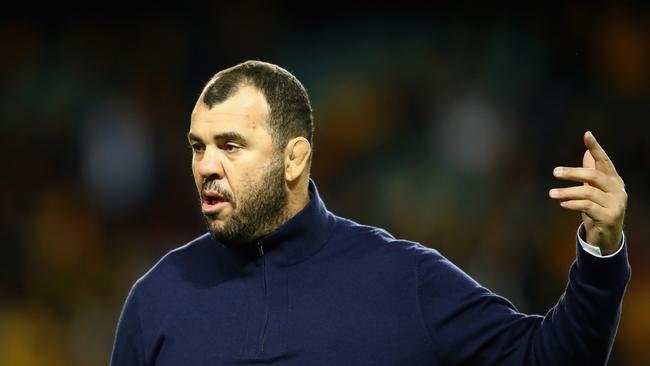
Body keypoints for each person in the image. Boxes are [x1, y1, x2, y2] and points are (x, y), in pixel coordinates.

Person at [109, 60, 631, 365]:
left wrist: (601, 256)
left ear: (294, 158)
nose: (207, 166)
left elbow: (547, 358)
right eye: (198, 146)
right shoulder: (158, 298)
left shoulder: (403, 280)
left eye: (231, 145)